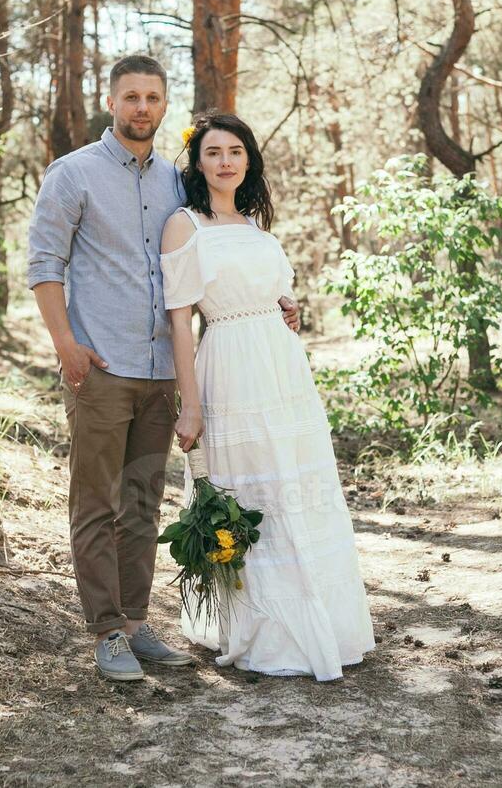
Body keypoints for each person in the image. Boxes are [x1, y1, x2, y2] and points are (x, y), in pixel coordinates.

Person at [27, 56, 300, 681]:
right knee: (97, 501)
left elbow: (211, 258)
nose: (141, 107)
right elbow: (45, 265)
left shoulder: (177, 185)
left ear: (165, 103)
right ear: (111, 100)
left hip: (163, 371)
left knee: (144, 502)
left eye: (152, 96)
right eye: (130, 96)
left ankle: (135, 623)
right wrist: (66, 346)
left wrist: (270, 299)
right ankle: (105, 633)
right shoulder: (73, 175)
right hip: (101, 365)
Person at [161, 111, 374, 681]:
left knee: (294, 485)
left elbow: (274, 294)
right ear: (198, 162)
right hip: (227, 364)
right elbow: (180, 321)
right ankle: (263, 629)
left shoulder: (256, 226)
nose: (225, 161)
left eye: (235, 151)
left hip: (282, 370)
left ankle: (321, 619)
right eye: (213, 153)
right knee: (249, 487)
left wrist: (287, 308)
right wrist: (191, 403)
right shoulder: (185, 225)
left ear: (248, 159)